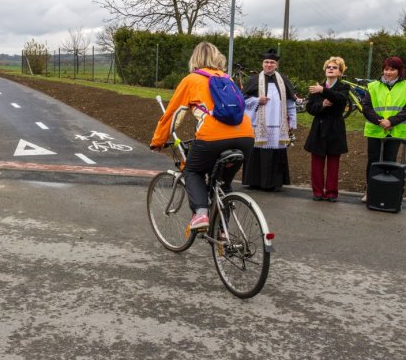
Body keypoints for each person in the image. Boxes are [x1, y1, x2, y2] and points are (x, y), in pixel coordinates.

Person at [150, 41, 254, 229]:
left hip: (212, 137)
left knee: (192, 171)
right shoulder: (227, 79)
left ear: (194, 58)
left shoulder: (191, 80)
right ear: (217, 57)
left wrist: (158, 141)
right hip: (246, 136)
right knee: (223, 183)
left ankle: (201, 214)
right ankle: (223, 234)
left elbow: (173, 115)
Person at [241, 48, 298, 191]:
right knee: (256, 152)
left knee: (275, 152)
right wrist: (257, 100)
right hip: (258, 124)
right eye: (266, 62)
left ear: (277, 65)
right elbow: (242, 100)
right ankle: (254, 181)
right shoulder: (254, 80)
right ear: (262, 64)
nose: (269, 65)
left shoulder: (283, 80)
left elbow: (290, 101)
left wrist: (292, 120)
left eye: (272, 62)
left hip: (278, 124)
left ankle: (273, 183)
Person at [303, 57, 350, 202]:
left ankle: (331, 193)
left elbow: (341, 100)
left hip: (335, 128)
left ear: (340, 72)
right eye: (328, 67)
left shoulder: (343, 87)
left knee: (333, 163)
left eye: (334, 67)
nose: (330, 69)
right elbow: (310, 108)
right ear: (325, 70)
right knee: (317, 162)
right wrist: (322, 104)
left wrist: (323, 90)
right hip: (319, 127)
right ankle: (317, 192)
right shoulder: (316, 88)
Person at [359, 56, 406, 202]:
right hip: (375, 129)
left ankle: (386, 191)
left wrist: (391, 121)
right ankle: (370, 190)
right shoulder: (373, 86)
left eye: (392, 69)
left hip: (395, 130)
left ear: (399, 71)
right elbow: (366, 107)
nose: (388, 72)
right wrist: (380, 121)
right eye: (386, 69)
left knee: (389, 161)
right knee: (373, 161)